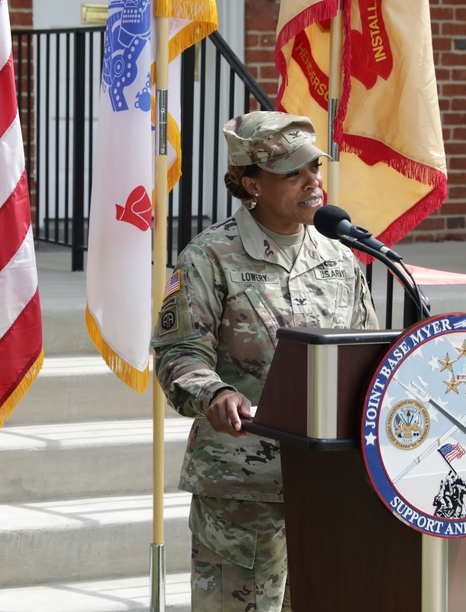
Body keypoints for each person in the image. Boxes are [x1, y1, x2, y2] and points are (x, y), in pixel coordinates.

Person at [151, 111, 380, 611]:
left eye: (314, 168)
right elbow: (177, 352)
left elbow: (367, 354)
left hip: (328, 480)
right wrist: (216, 393)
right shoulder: (209, 256)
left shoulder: (341, 257)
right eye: (292, 174)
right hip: (242, 489)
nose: (313, 183)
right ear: (251, 182)